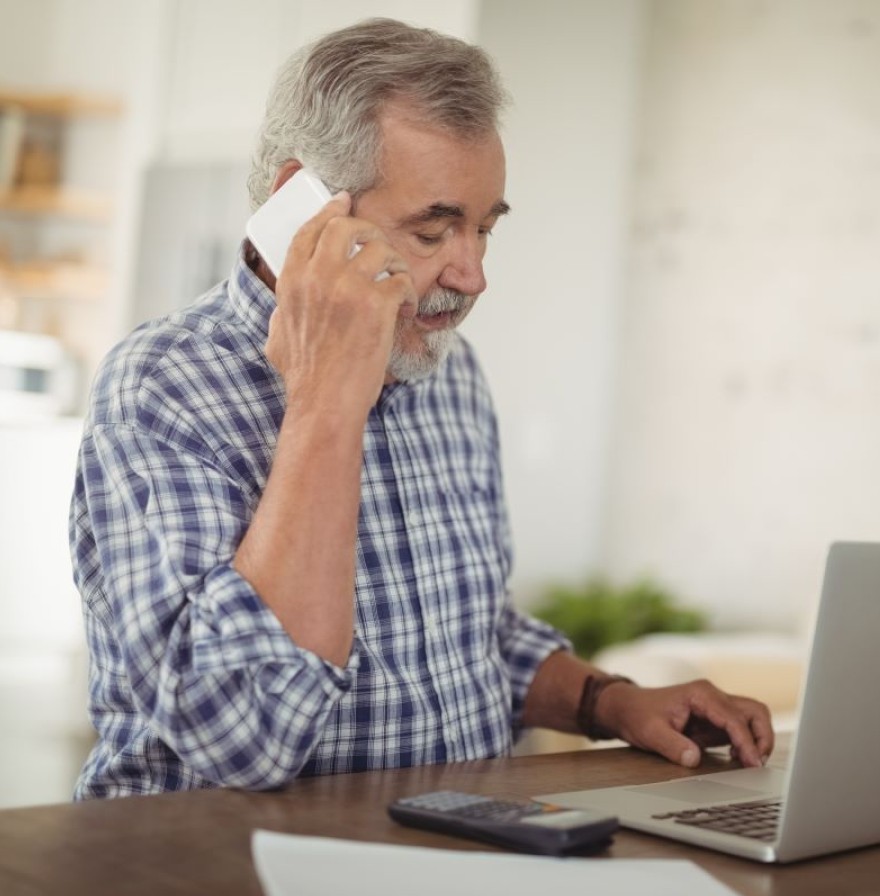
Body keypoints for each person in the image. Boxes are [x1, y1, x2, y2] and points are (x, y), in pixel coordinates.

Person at [70, 17, 773, 799]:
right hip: (217, 863)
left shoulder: (449, 370)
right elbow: (244, 740)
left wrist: (611, 701)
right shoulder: (163, 387)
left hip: (451, 849)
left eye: (482, 228)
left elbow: (467, 639)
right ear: (302, 209)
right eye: (433, 229)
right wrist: (327, 400)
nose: (472, 275)